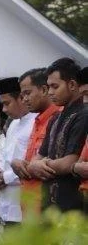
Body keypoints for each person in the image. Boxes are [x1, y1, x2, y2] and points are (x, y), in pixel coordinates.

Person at [28, 58, 87, 212]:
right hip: (50, 206)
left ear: (72, 85)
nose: (51, 92)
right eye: (48, 87)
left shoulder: (83, 114)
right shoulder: (55, 118)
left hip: (73, 207)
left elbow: (70, 162)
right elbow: (38, 156)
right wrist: (35, 164)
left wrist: (40, 165)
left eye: (55, 86)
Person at [11, 68, 62, 212]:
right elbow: (33, 160)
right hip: (30, 207)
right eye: (22, 95)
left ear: (44, 90)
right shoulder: (38, 120)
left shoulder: (58, 119)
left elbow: (54, 163)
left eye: (27, 93)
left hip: (48, 207)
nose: (24, 99)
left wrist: (31, 166)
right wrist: (16, 163)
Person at [0, 77, 36, 225]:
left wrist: (6, 177)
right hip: (5, 206)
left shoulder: (36, 122)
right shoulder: (13, 125)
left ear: (21, 99)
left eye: (6, 103)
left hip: (24, 205)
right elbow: (4, 157)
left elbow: (30, 163)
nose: (4, 109)